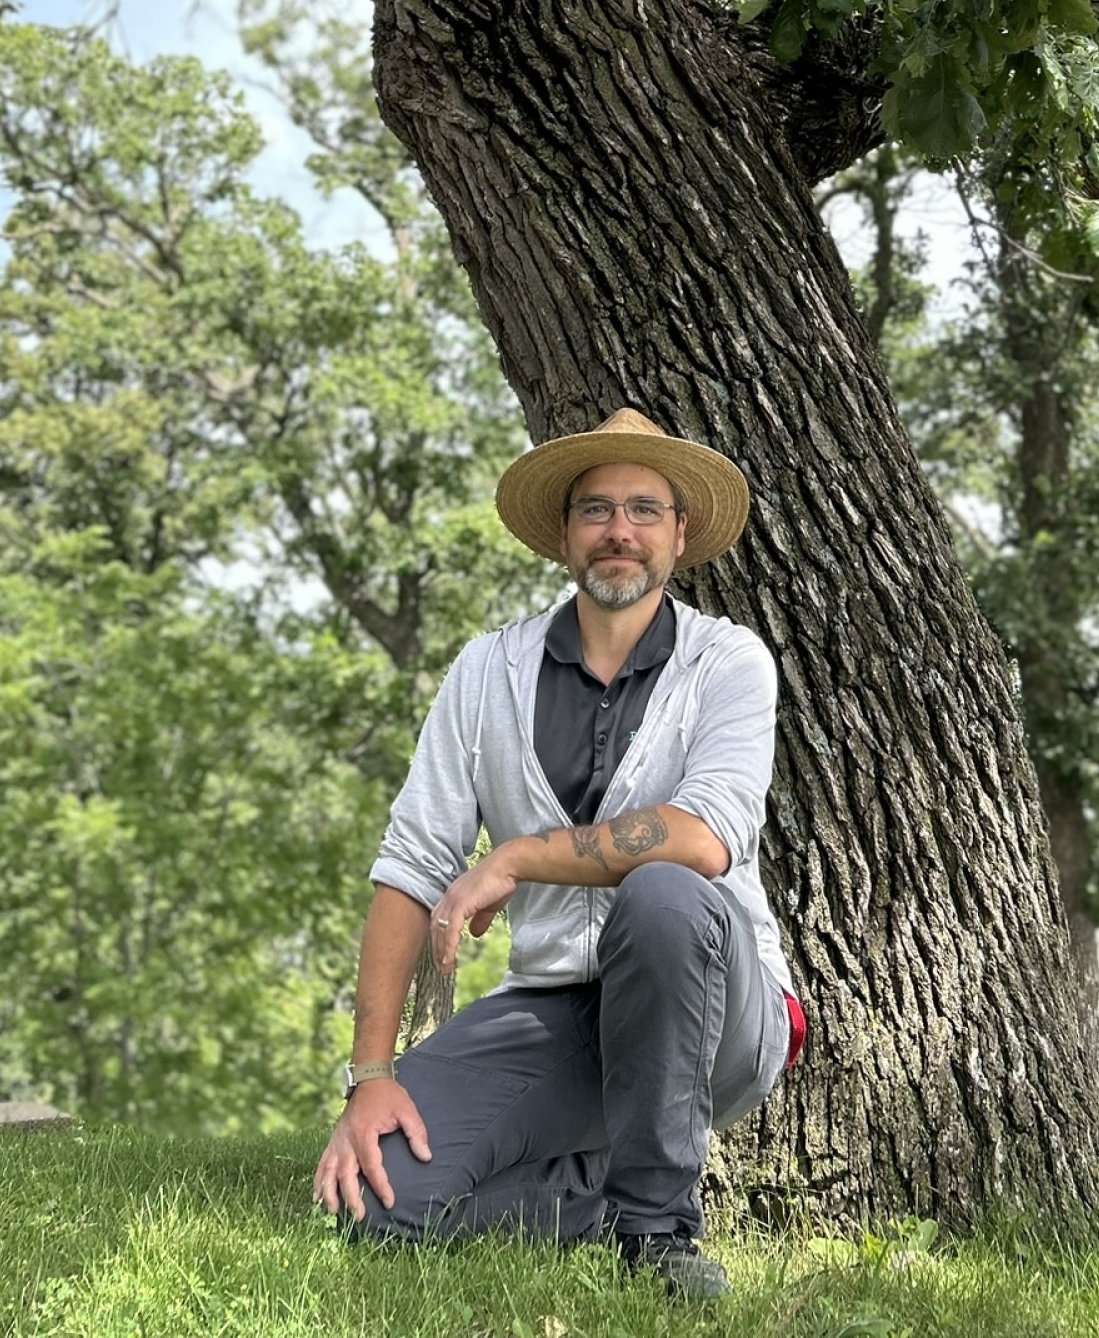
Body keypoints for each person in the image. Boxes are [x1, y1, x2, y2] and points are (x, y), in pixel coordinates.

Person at [312, 406, 802, 1299]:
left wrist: (518, 857)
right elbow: (412, 863)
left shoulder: (727, 662)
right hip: (557, 1009)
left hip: (712, 1000)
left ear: (679, 535)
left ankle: (659, 1235)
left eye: (645, 510)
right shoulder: (486, 672)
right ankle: (605, 1206)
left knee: (662, 893)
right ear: (565, 536)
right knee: (367, 1200)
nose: (621, 530)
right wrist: (372, 1074)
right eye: (596, 510)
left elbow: (699, 838)